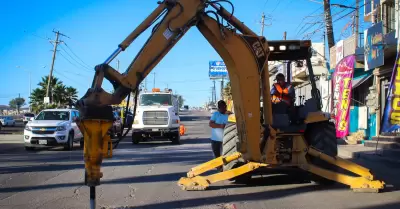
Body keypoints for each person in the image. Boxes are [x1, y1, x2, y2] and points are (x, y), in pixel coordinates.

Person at [209, 100, 229, 170]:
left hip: (226, 139)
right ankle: (219, 168)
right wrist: (220, 126)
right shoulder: (216, 114)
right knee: (217, 156)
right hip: (215, 139)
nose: (223, 109)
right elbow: (211, 124)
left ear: (226, 106)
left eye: (224, 107)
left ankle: (226, 168)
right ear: (219, 108)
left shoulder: (228, 114)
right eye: (221, 107)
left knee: (226, 155)